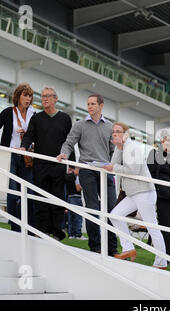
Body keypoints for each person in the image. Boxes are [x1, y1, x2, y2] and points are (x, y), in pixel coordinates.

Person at [57, 94, 118, 255]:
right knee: (92, 208)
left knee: (112, 210)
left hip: (105, 171)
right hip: (87, 169)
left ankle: (112, 248)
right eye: (88, 104)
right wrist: (64, 154)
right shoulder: (80, 125)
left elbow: (114, 152)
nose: (90, 106)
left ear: (101, 106)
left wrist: (113, 166)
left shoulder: (110, 127)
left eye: (93, 104)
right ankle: (95, 246)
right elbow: (69, 143)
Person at [104, 122, 167, 269]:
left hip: (144, 191)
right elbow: (112, 165)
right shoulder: (122, 148)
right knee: (114, 215)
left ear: (126, 133)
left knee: (152, 227)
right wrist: (118, 149)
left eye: (118, 131)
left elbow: (132, 170)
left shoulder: (133, 147)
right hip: (133, 193)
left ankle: (161, 262)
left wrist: (113, 167)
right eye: (113, 131)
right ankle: (128, 249)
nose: (115, 134)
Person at [0, 83, 36, 232]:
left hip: (26, 157)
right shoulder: (8, 112)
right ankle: (15, 226)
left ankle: (28, 226)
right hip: (9, 155)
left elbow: (38, 135)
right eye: (25, 95)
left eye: (29, 96)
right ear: (17, 96)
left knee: (28, 192)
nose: (27, 99)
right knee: (12, 192)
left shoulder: (34, 115)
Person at [20, 87, 72, 241]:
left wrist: (73, 165)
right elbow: (29, 135)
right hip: (40, 165)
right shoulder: (36, 118)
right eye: (42, 96)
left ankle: (56, 231)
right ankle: (43, 229)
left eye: (48, 96)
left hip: (58, 164)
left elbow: (70, 142)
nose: (45, 99)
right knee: (40, 198)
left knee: (57, 198)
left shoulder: (65, 118)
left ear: (56, 99)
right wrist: (24, 146)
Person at [147, 128, 170, 259]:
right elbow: (150, 174)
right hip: (162, 196)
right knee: (165, 225)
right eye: (168, 140)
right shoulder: (154, 154)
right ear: (162, 141)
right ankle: (164, 255)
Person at [64, 165, 86, 240]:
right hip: (76, 198)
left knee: (70, 217)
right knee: (78, 217)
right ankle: (78, 234)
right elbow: (78, 188)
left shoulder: (67, 176)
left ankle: (71, 234)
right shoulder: (76, 177)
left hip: (69, 197)